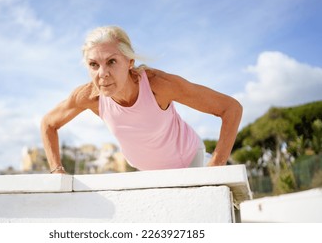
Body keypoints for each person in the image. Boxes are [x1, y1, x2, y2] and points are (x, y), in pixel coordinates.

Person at [41, 26, 243, 174]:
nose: (103, 73)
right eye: (94, 65)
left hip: (191, 163)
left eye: (112, 61)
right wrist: (56, 170)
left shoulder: (158, 86)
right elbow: (49, 123)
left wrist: (216, 167)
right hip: (147, 173)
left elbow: (231, 108)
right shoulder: (90, 97)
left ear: (130, 62)